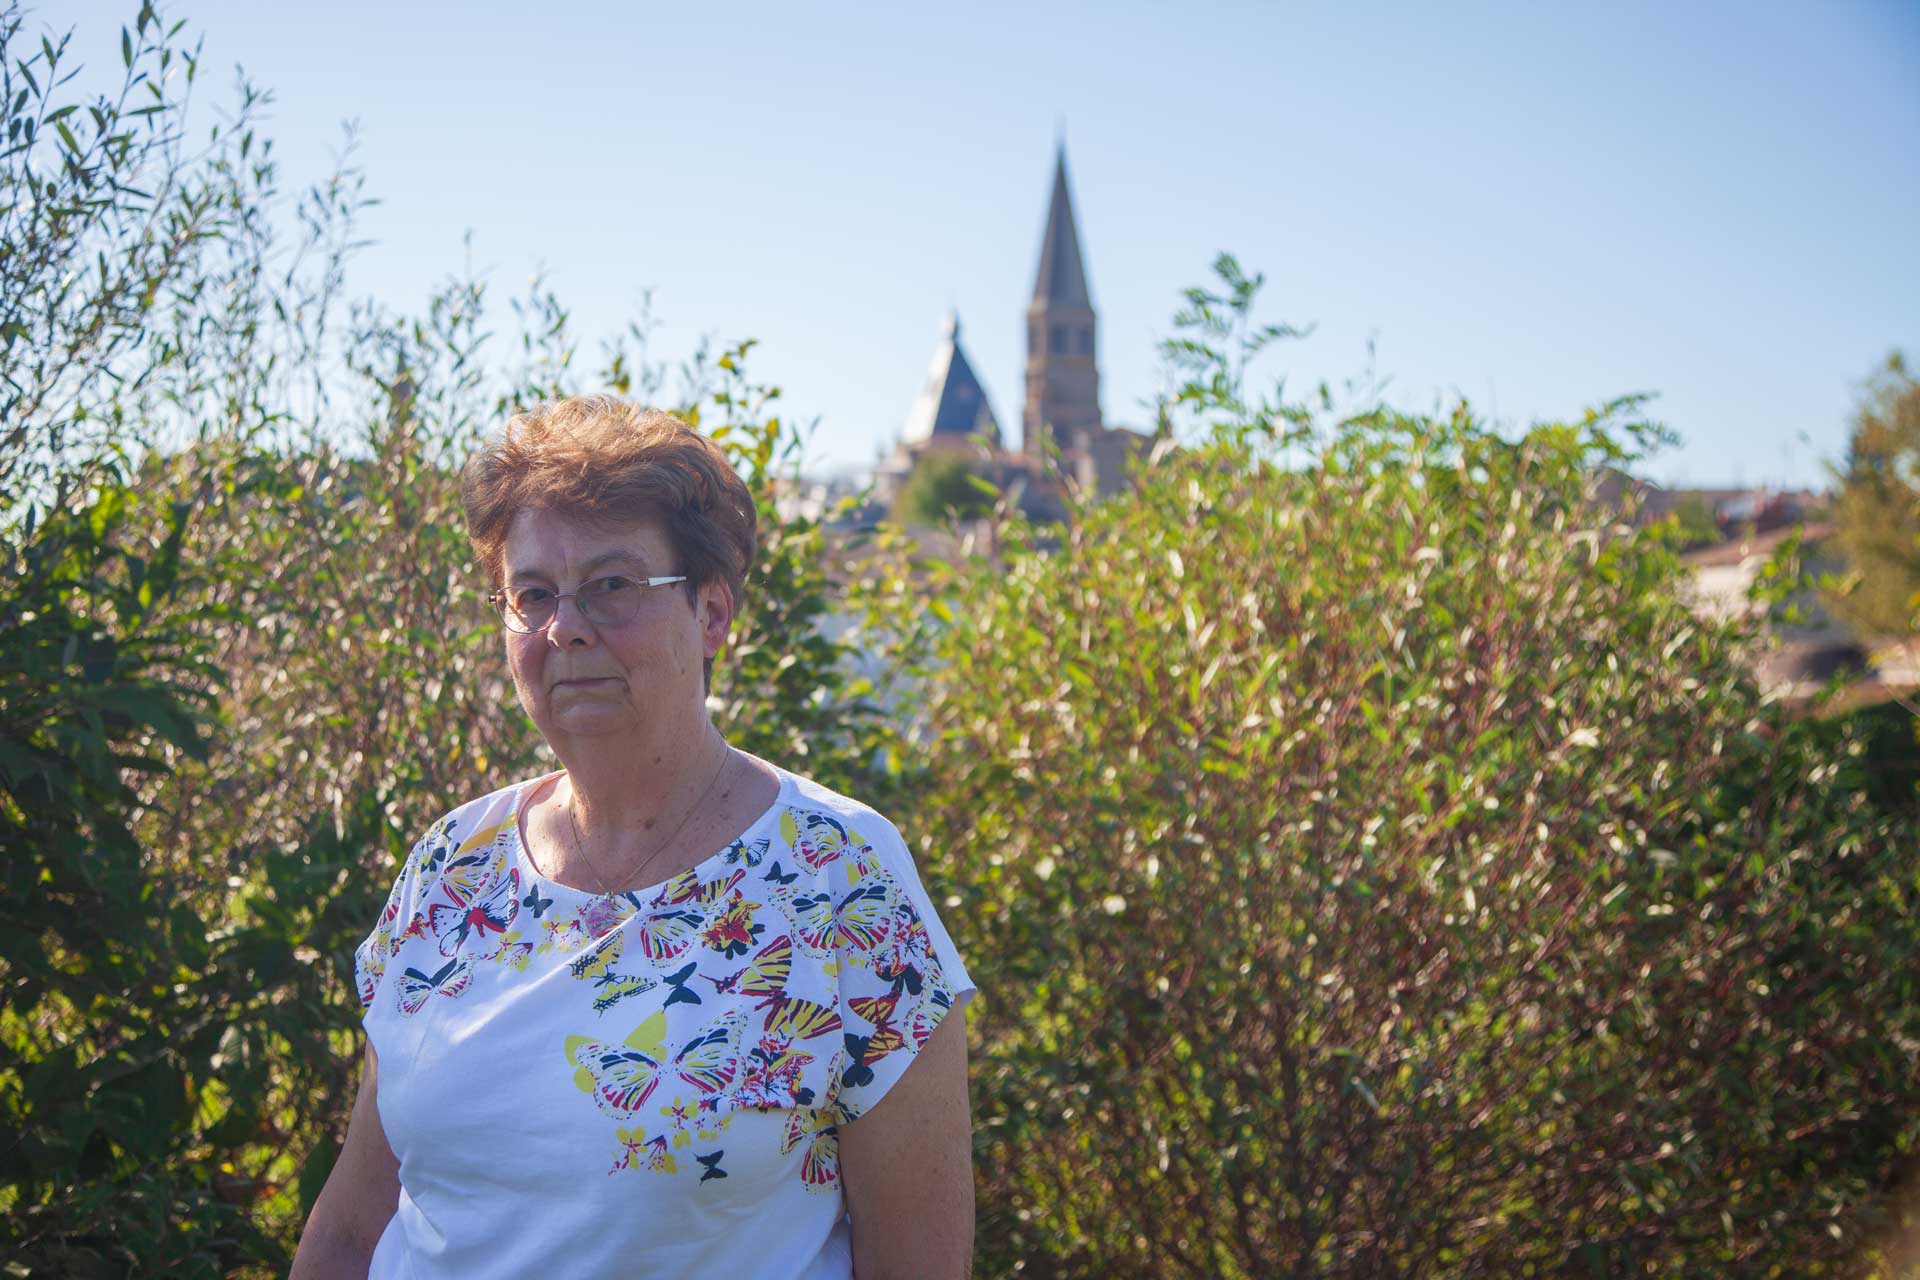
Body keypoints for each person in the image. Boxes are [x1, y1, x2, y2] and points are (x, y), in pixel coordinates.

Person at [291, 396, 976, 1279]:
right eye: (533, 594)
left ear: (712, 613)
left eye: (613, 585)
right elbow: (352, 1227)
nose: (566, 626)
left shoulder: (840, 878)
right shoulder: (452, 867)